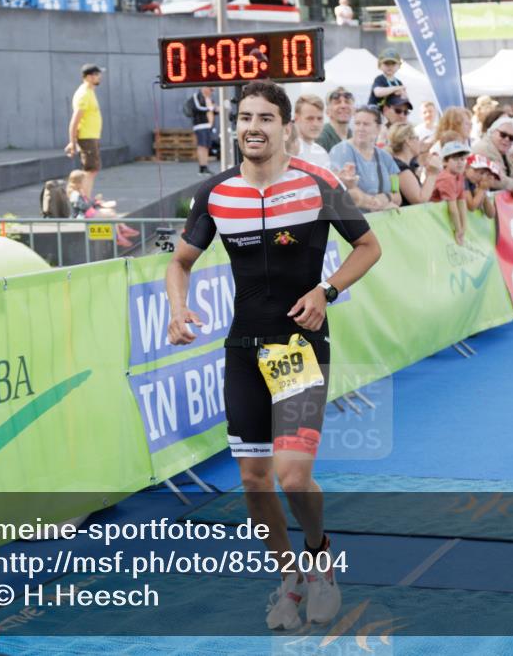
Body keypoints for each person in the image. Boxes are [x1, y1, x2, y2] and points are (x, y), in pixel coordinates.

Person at [166, 80, 381, 631]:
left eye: (265, 118)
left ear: (286, 127)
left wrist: (326, 291)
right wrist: (177, 309)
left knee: (292, 475)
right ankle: (288, 580)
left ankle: (319, 562)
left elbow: (368, 246)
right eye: (244, 118)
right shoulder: (215, 193)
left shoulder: (319, 184)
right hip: (242, 349)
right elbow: (180, 262)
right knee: (255, 481)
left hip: (300, 349)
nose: (252, 128)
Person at [329, 106, 402, 212]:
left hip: (382, 224)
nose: (360, 128)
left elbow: (397, 195)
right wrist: (378, 205)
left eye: (366, 124)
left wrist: (387, 197)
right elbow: (347, 192)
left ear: (378, 128)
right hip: (354, 224)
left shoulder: (385, 157)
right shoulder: (341, 151)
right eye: (357, 123)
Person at [65, 170, 138, 246]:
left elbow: (86, 205)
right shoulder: (74, 194)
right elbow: (83, 207)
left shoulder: (79, 191)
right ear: (78, 182)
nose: (85, 183)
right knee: (111, 214)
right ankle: (119, 234)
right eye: (84, 181)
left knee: (111, 212)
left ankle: (120, 232)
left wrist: (97, 202)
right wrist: (95, 202)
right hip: (82, 217)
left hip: (89, 213)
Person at [64, 64, 105, 197]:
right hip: (87, 137)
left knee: (92, 170)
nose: (100, 77)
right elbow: (75, 121)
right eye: (97, 74)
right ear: (88, 77)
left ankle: (86, 199)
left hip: (92, 136)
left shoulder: (89, 92)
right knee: (90, 170)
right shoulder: (83, 94)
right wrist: (72, 142)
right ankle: (84, 201)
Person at [470, 109, 513, 199]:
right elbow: (497, 180)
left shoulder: (502, 151)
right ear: (492, 131)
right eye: (503, 134)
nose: (506, 139)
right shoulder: (485, 148)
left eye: (511, 138)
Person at [387, 123, 439, 205]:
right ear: (408, 141)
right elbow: (419, 200)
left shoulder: (400, 165)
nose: (420, 142)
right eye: (417, 138)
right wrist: (432, 174)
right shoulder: (401, 168)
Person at [292, 95, 331, 169]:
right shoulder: (285, 152)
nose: (315, 124)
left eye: (319, 118)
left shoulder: (322, 153)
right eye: (310, 118)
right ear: (296, 119)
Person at [188, 86, 217, 175]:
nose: (211, 91)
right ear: (204, 88)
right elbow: (197, 107)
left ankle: (205, 166)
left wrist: (216, 109)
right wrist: (210, 108)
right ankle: (202, 167)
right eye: (210, 89)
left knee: (206, 146)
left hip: (208, 126)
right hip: (200, 125)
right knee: (201, 146)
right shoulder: (196, 96)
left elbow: (212, 111)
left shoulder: (209, 99)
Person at [316, 87, 354, 153]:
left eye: (347, 102)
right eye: (338, 102)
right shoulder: (321, 138)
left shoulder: (353, 136)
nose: (343, 106)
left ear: (354, 110)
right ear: (327, 111)